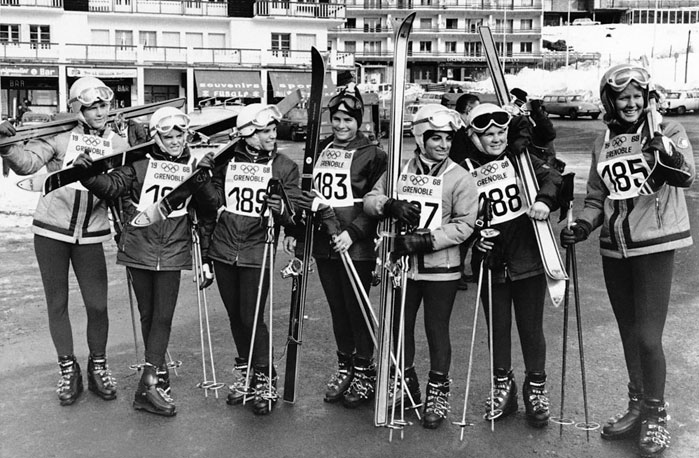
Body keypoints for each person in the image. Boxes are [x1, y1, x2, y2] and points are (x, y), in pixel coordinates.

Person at [561, 65, 694, 457]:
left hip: (654, 244)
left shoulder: (668, 130)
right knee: (628, 332)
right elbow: (596, 197)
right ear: (610, 102)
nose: (631, 103)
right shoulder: (603, 142)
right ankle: (637, 405)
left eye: (637, 95)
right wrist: (583, 227)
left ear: (647, 97)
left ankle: (656, 413)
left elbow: (685, 175)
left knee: (649, 337)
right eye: (623, 97)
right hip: (614, 247)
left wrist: (664, 151)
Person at [0, 76, 128, 406]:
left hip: (91, 233)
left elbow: (123, 184)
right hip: (51, 230)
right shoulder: (60, 135)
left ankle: (98, 366)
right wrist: (7, 145)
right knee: (57, 304)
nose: (101, 111)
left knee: (98, 304)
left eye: (104, 104)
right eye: (92, 106)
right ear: (78, 109)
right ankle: (68, 370)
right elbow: (26, 164)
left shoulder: (116, 142)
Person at [78, 106, 212, 417]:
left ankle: (148, 382)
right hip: (140, 246)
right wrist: (87, 175)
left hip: (173, 248)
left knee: (163, 315)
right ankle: (156, 371)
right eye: (169, 134)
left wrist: (204, 178)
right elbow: (112, 186)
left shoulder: (192, 164)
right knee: (149, 314)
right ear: (156, 136)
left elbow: (211, 205)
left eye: (181, 133)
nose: (176, 139)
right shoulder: (140, 163)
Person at [364, 104, 478, 429]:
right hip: (404, 265)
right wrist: (390, 204)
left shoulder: (460, 177)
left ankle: (439, 390)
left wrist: (426, 240)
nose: (443, 145)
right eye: (436, 139)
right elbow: (370, 199)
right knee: (400, 325)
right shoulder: (400, 169)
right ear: (420, 137)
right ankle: (405, 381)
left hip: (441, 267)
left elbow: (465, 224)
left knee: (436, 328)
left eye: (447, 139)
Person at [283, 86, 387, 408]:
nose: (342, 125)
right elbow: (309, 198)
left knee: (357, 309)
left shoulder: (373, 154)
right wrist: (300, 233)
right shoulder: (323, 149)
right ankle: (345, 367)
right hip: (325, 244)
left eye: (348, 120)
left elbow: (378, 203)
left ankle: (364, 371)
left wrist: (355, 233)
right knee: (337, 310)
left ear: (359, 121)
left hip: (355, 244)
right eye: (337, 119)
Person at [461, 103, 562, 428]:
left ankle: (536, 388)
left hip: (528, 258)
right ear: (474, 136)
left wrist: (545, 200)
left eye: (500, 132)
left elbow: (553, 177)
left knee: (531, 329)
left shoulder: (521, 159)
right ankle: (504, 386)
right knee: (498, 328)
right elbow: (457, 212)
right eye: (487, 134)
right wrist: (476, 239)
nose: (494, 139)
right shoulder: (465, 167)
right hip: (491, 260)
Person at [198, 103, 300, 416]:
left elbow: (295, 215)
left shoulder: (284, 165)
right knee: (234, 316)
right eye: (265, 131)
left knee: (252, 315)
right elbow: (211, 204)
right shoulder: (227, 161)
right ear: (248, 134)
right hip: (225, 246)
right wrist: (202, 177)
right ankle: (247, 372)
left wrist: (281, 206)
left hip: (258, 245)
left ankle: (265, 376)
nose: (273, 136)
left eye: (273, 130)